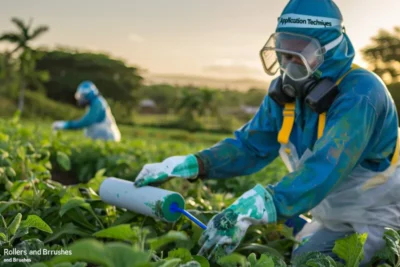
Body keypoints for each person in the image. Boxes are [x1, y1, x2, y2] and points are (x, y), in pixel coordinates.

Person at [133, 0, 400, 265]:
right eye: (284, 51)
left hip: (380, 215)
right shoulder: (286, 93)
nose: (287, 64)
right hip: (332, 212)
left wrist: (265, 202)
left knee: (317, 262)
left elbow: (326, 166)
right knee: (301, 254)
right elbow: (250, 146)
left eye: (299, 54)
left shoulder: (361, 94)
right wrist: (194, 164)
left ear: (329, 50)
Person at [52, 81, 121, 142]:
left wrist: (65, 125)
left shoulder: (97, 103)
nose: (81, 99)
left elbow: (86, 121)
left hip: (108, 139)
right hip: (101, 140)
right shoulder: (93, 103)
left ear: (89, 94)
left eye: (82, 96)